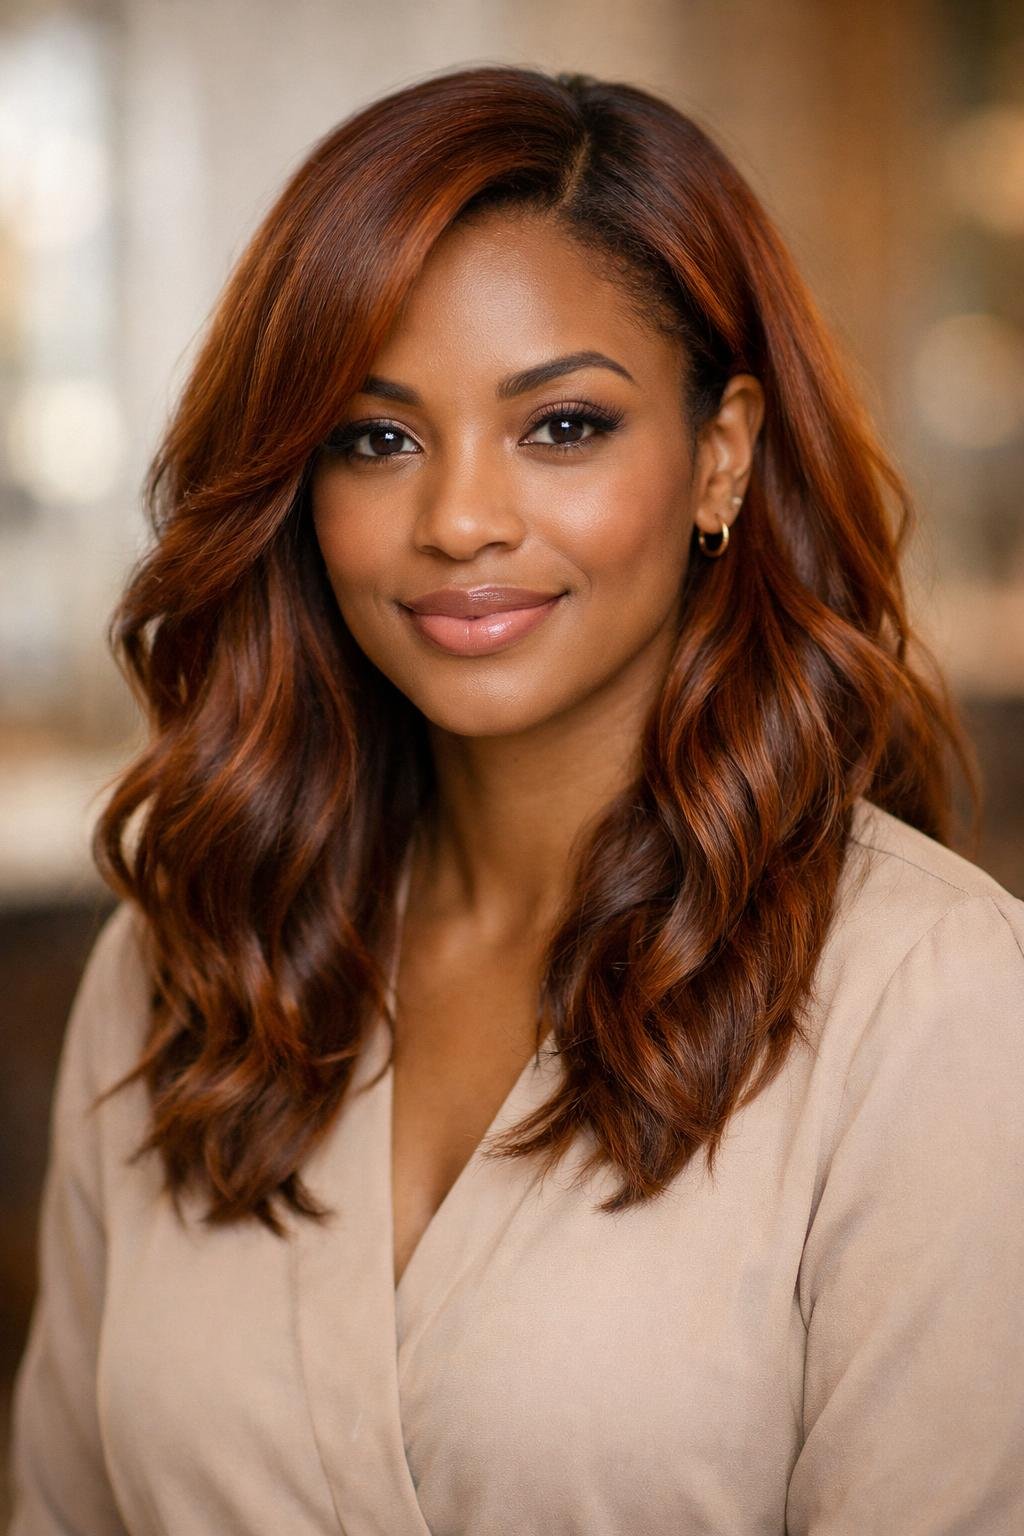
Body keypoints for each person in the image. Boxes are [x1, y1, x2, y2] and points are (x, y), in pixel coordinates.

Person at [8, 63, 1023, 1536]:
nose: (460, 521)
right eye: (377, 438)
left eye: (562, 426)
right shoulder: (191, 956)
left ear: (720, 457)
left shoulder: (931, 1003)